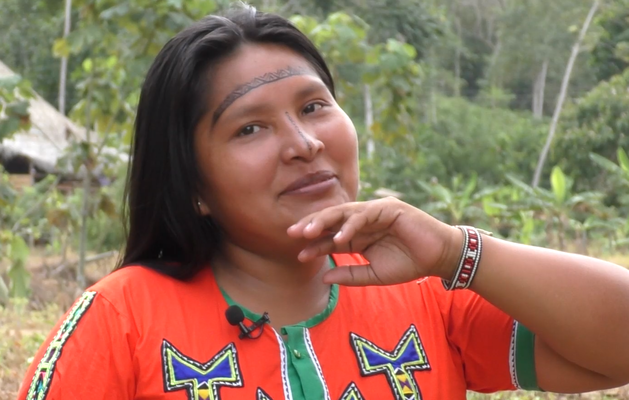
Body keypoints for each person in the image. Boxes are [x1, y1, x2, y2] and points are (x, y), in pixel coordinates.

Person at [17, 4, 629, 400]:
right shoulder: (121, 319)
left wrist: (456, 252)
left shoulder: (430, 295)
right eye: (249, 128)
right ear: (193, 185)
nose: (304, 144)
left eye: (313, 107)